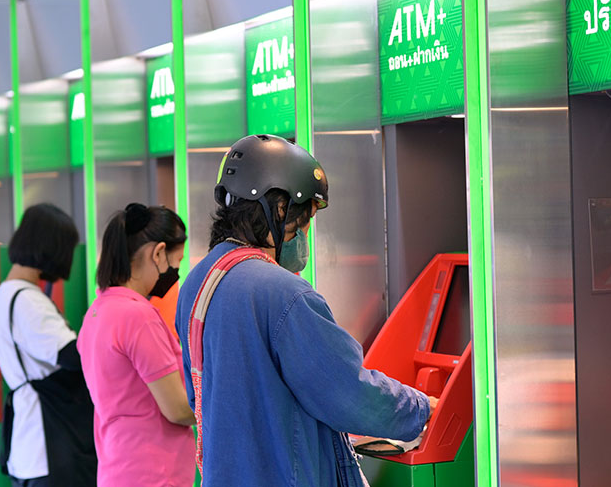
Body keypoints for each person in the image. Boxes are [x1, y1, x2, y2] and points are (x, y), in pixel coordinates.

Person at [176, 134, 436, 487]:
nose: (307, 234)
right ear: (281, 209)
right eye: (307, 219)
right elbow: (348, 393)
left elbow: (198, 396)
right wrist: (421, 408)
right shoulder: (284, 294)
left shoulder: (198, 283)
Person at [77, 203, 196, 487]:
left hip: (118, 468)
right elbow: (178, 409)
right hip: (153, 473)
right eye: (177, 262)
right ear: (158, 253)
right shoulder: (138, 317)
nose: (176, 273)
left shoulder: (96, 312)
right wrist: (226, 404)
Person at [0, 203, 95, 487]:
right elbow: (73, 356)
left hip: (31, 443)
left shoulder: (7, 293)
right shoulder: (28, 300)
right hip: (47, 443)